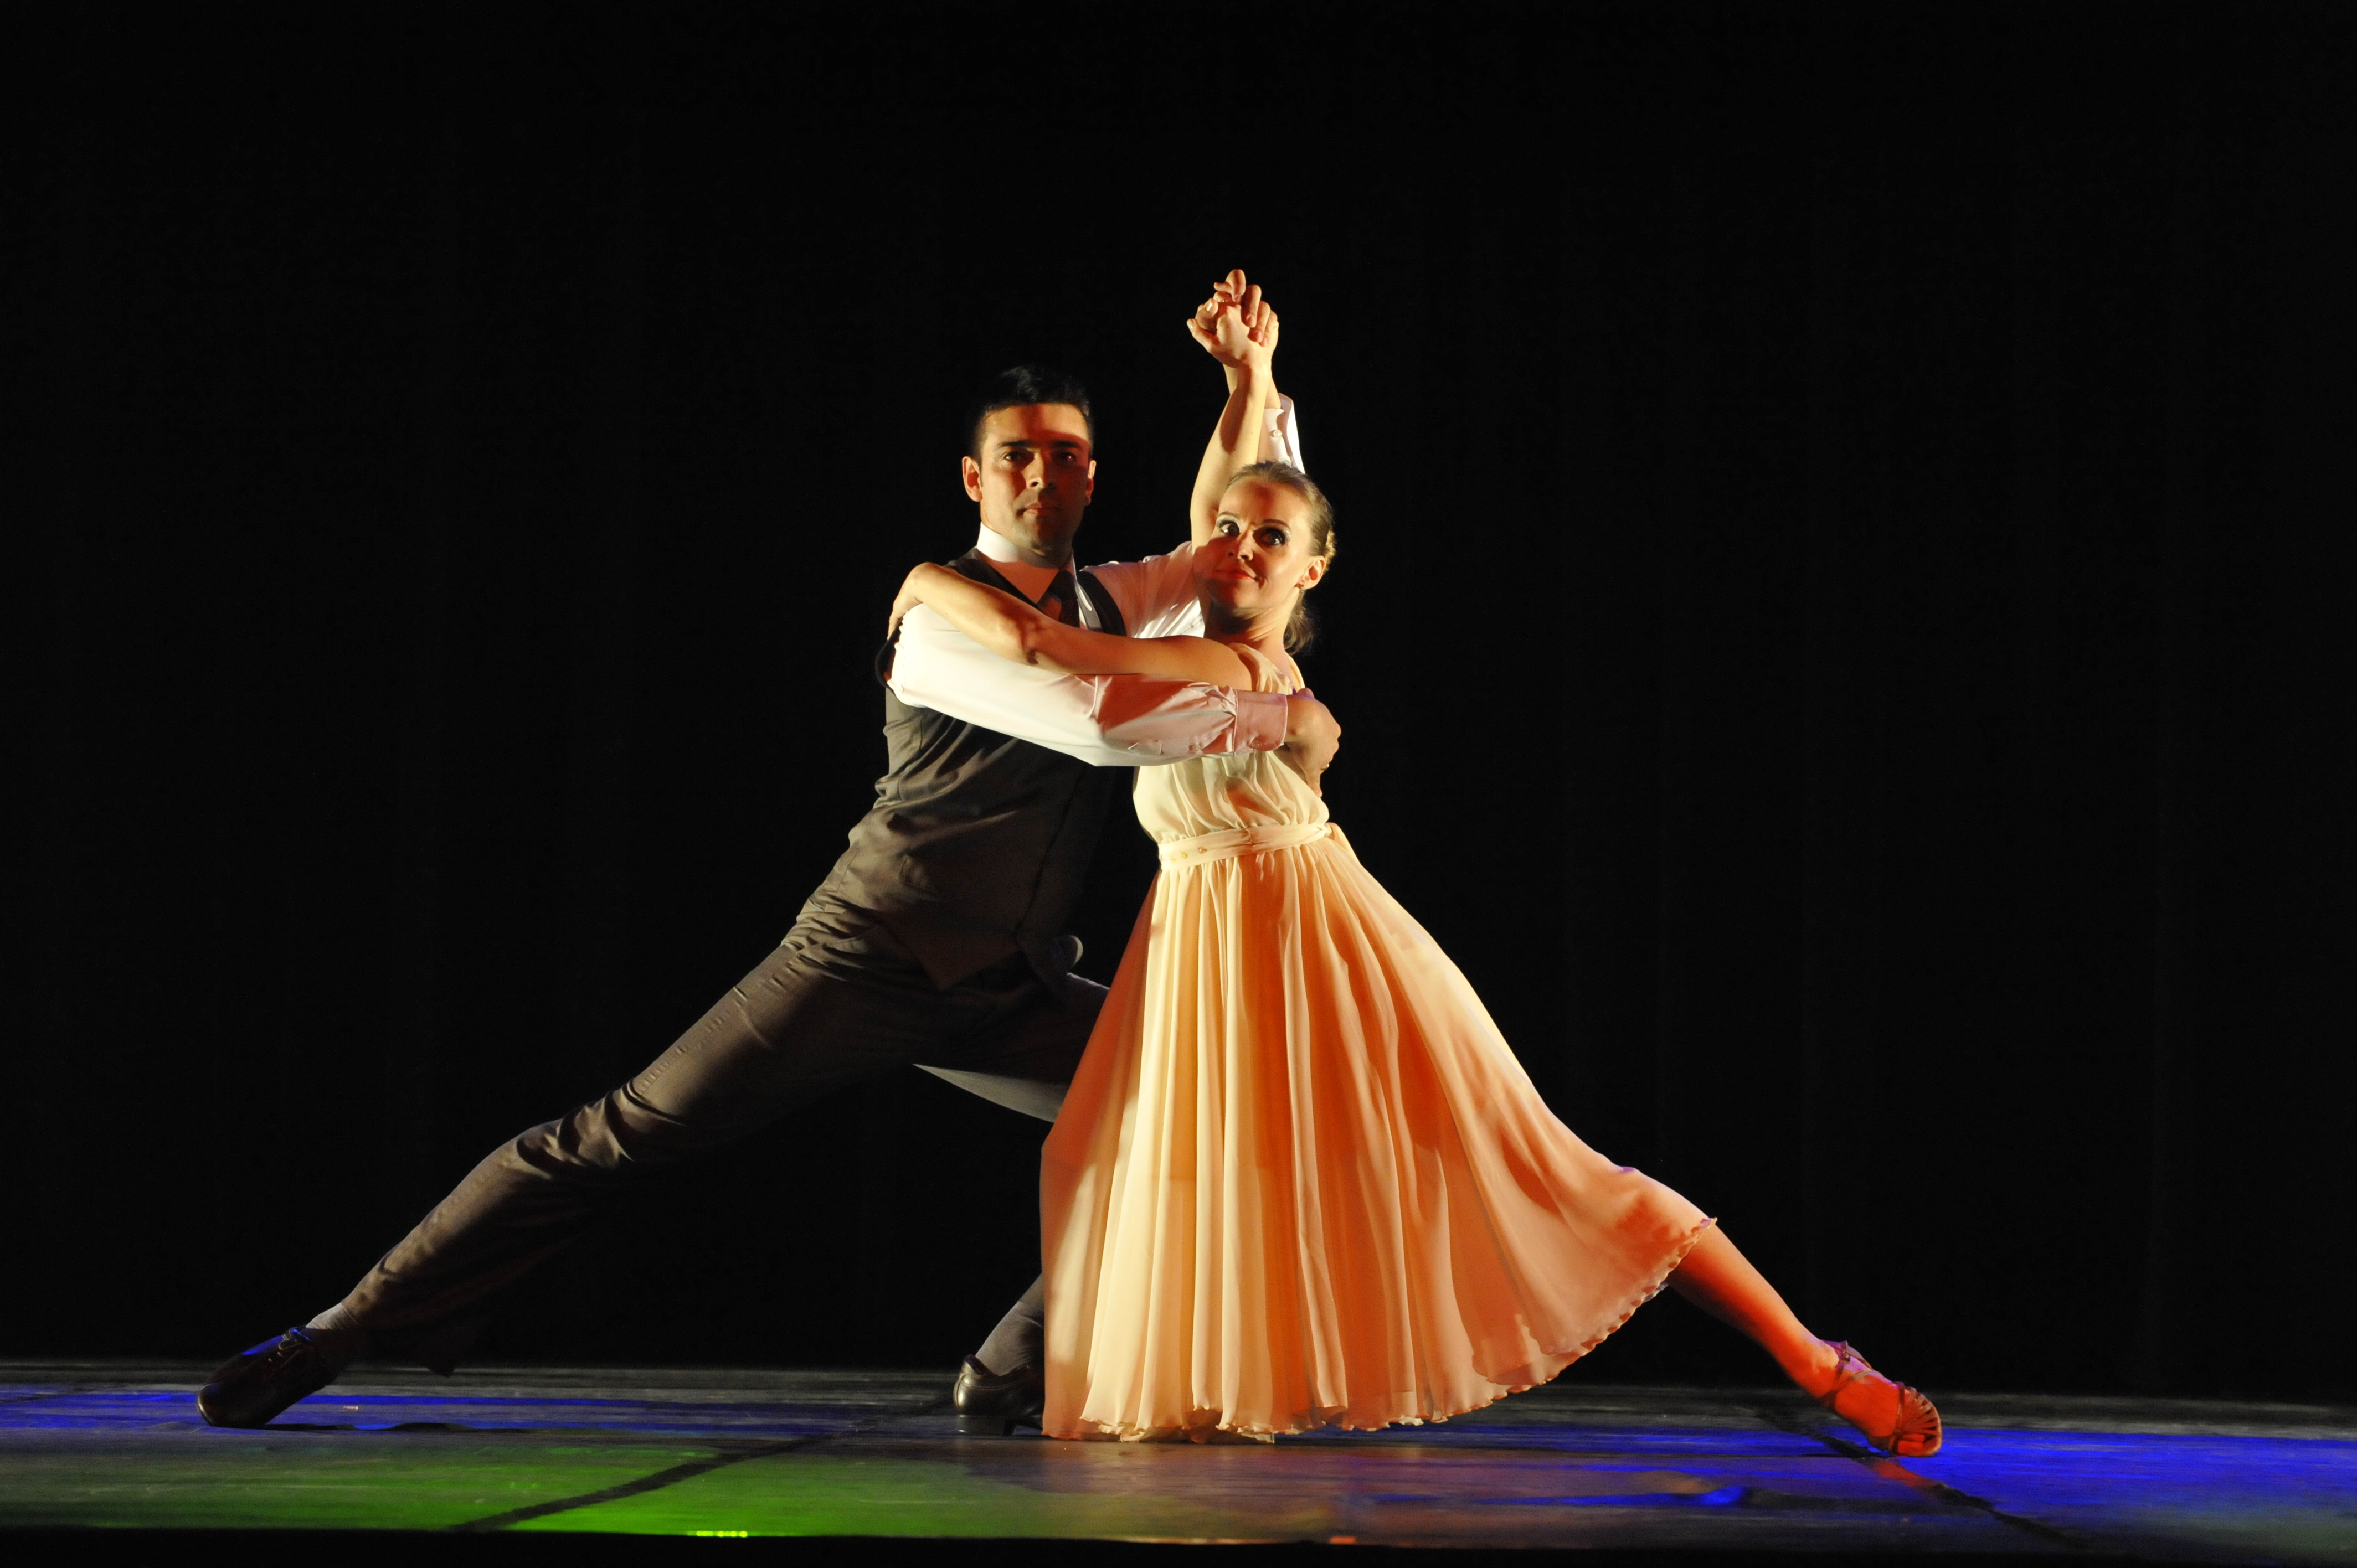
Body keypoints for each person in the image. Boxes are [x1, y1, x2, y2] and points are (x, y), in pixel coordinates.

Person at [197, 323, 1341, 1432]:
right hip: (868, 956)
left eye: (1067, 454)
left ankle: (1009, 1372)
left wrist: (1252, 380)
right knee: (619, 1136)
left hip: (1009, 983)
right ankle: (335, 1331)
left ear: (1093, 475)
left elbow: (1237, 532)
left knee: (1212, 1116)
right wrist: (1276, 715)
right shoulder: (942, 625)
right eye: (1018, 455)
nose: (1044, 474)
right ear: (975, 478)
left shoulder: (1112, 601)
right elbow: (1095, 725)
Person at [886, 280, 1944, 1453]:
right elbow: (1210, 511)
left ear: (1311, 573)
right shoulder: (1193, 636)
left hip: (1314, 943)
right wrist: (1248, 379)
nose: (1238, 549)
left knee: (1541, 1168)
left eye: (1271, 540)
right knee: (1186, 1181)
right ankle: (1112, 1376)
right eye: (1228, 532)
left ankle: (1816, 1359)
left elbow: (1044, 644)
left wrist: (932, 583)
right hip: (1206, 950)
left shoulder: (1239, 672)